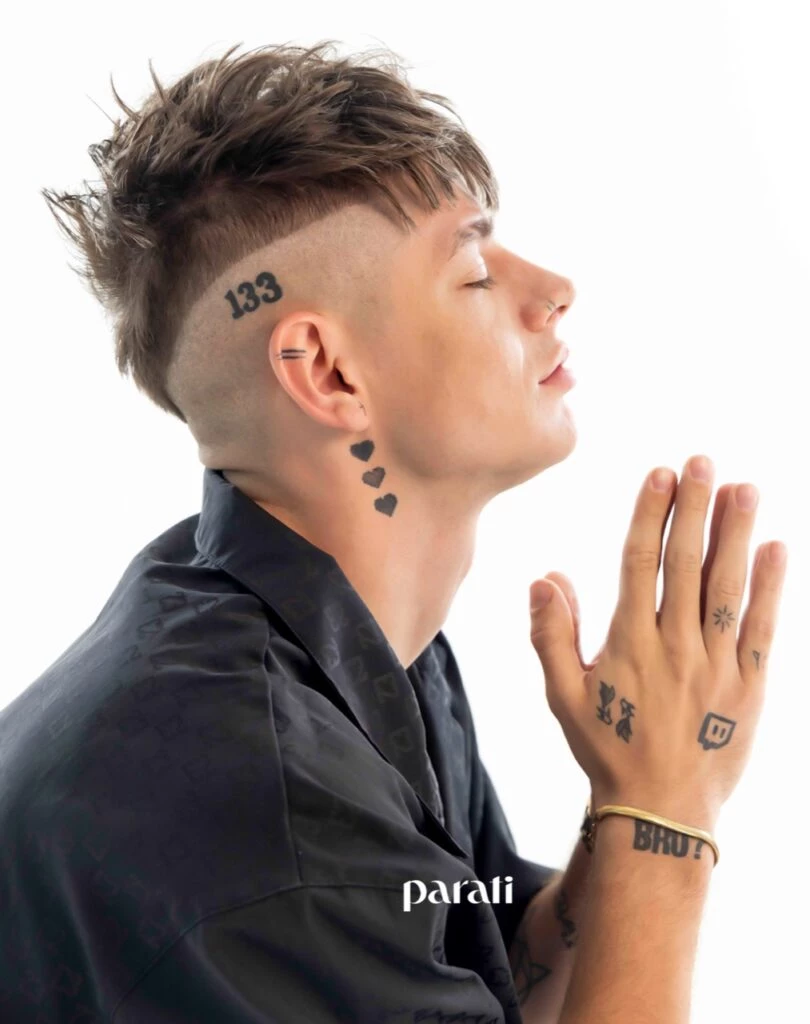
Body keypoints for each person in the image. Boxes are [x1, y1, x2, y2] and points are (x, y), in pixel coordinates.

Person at [0, 39, 786, 1024]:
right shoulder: (262, 801)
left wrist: (629, 794)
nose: (553, 288)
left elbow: (494, 978)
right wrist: (668, 817)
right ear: (329, 374)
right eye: (473, 272)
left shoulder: (351, 650)